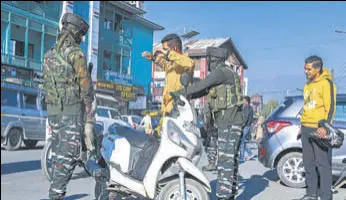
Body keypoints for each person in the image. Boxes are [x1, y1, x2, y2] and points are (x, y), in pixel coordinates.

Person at [172, 47, 244, 200]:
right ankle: (229, 194)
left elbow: (202, 84)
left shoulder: (221, 72)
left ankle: (223, 196)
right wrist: (187, 95)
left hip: (229, 123)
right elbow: (203, 91)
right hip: (230, 122)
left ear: (214, 60)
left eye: (209, 59)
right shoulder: (227, 73)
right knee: (231, 161)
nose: (208, 63)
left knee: (225, 161)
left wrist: (180, 93)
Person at [42, 13, 93, 200]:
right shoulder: (75, 54)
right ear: (77, 32)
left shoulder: (49, 54)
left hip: (53, 111)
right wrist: (89, 108)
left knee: (58, 153)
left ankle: (56, 191)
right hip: (70, 111)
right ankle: (56, 195)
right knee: (68, 156)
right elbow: (85, 86)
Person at [295, 55, 336, 200]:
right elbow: (307, 108)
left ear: (317, 69)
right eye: (305, 69)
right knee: (308, 164)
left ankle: (325, 196)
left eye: (308, 69)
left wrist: (325, 127)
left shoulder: (326, 83)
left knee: (322, 164)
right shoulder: (307, 85)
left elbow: (330, 107)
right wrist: (302, 126)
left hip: (319, 129)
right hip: (306, 128)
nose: (305, 71)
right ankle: (311, 194)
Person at [142, 33, 195, 135]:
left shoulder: (185, 62)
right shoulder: (172, 64)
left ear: (174, 49)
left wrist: (167, 55)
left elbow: (190, 63)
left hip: (178, 112)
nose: (163, 52)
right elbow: (165, 65)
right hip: (167, 110)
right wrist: (153, 58)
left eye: (165, 49)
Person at [202, 88, 218, 171]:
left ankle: (212, 163)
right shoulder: (218, 100)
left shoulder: (208, 101)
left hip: (211, 126)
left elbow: (206, 115)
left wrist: (206, 125)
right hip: (219, 125)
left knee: (210, 145)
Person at [239, 96, 255, 162]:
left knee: (241, 142)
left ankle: (242, 158)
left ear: (246, 101)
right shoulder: (250, 107)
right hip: (248, 126)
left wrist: (242, 125)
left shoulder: (246, 107)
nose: (242, 101)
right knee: (243, 142)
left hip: (245, 126)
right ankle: (250, 153)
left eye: (243, 100)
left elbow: (245, 118)